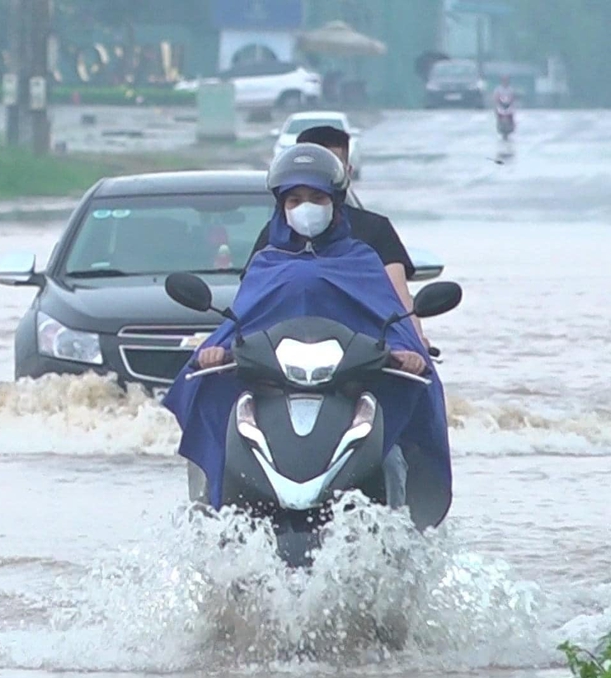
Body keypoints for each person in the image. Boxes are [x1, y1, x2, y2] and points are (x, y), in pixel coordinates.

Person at [162, 143, 452, 528]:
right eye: (295, 199)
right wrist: (213, 351)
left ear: (335, 201)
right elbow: (241, 320)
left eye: (316, 197)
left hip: (348, 387)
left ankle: (403, 525)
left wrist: (404, 353)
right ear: (281, 206)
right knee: (213, 403)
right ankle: (216, 512)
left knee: (398, 442)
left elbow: (389, 319)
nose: (306, 207)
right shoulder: (267, 263)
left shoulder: (361, 261)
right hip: (274, 387)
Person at [246, 126, 430, 349]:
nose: (319, 174)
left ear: (346, 173)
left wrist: (413, 343)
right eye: (295, 199)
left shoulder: (373, 232)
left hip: (362, 357)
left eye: (318, 196)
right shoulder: (274, 242)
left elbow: (397, 298)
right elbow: (250, 307)